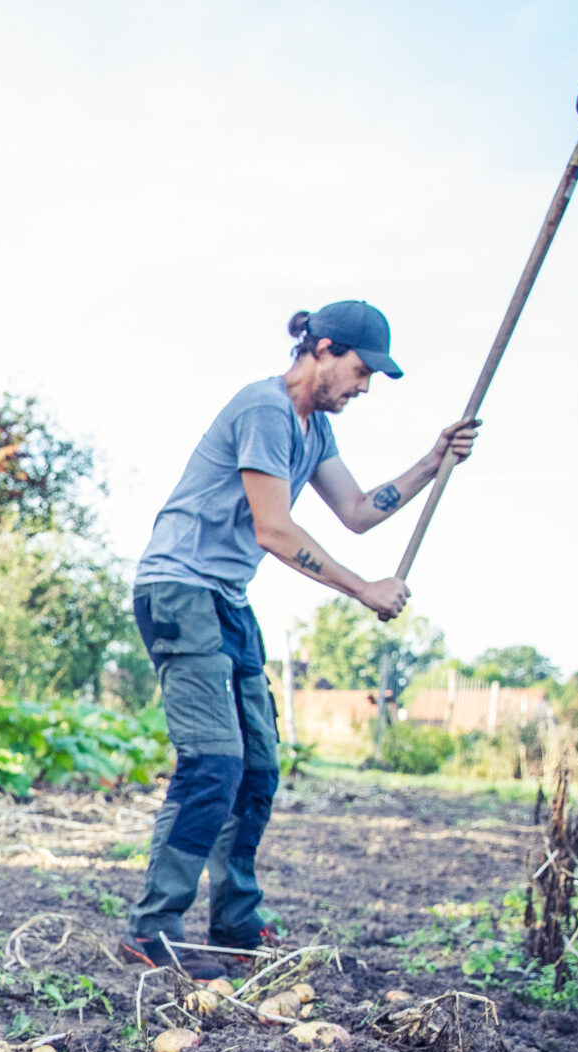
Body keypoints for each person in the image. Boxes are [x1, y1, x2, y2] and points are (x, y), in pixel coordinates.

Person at [119, 301, 480, 977]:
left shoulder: (314, 432)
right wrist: (363, 589)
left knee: (257, 767)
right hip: (178, 589)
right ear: (321, 348)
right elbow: (274, 530)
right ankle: (152, 928)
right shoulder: (264, 410)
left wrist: (433, 462)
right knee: (214, 762)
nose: (364, 386)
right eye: (360, 369)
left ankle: (234, 919)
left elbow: (357, 512)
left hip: (225, 597)